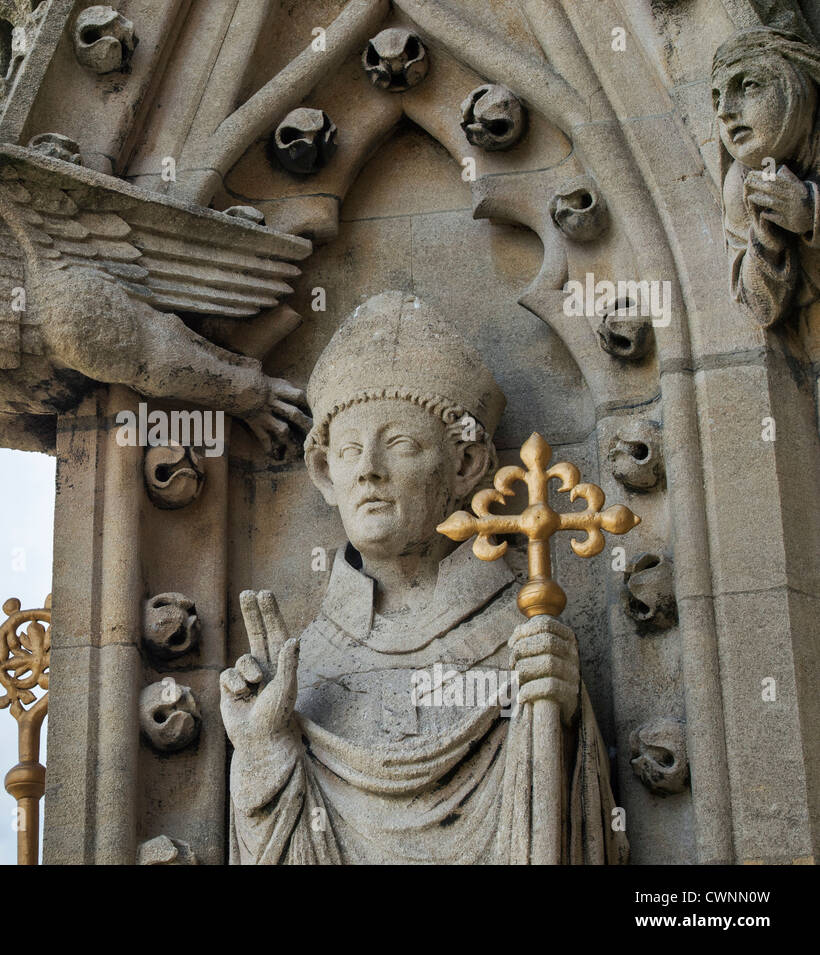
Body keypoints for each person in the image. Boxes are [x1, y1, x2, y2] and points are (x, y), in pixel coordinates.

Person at [222, 291, 627, 864]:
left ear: (465, 465)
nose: (368, 472)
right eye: (351, 451)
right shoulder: (299, 664)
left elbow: (575, 836)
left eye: (401, 444)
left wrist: (559, 713)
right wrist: (263, 753)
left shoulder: (522, 638)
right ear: (324, 473)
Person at [711, 27, 820, 327]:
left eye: (748, 86)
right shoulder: (742, 181)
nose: (724, 112)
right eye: (717, 98)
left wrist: (810, 211)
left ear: (796, 81)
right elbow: (758, 308)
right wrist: (766, 240)